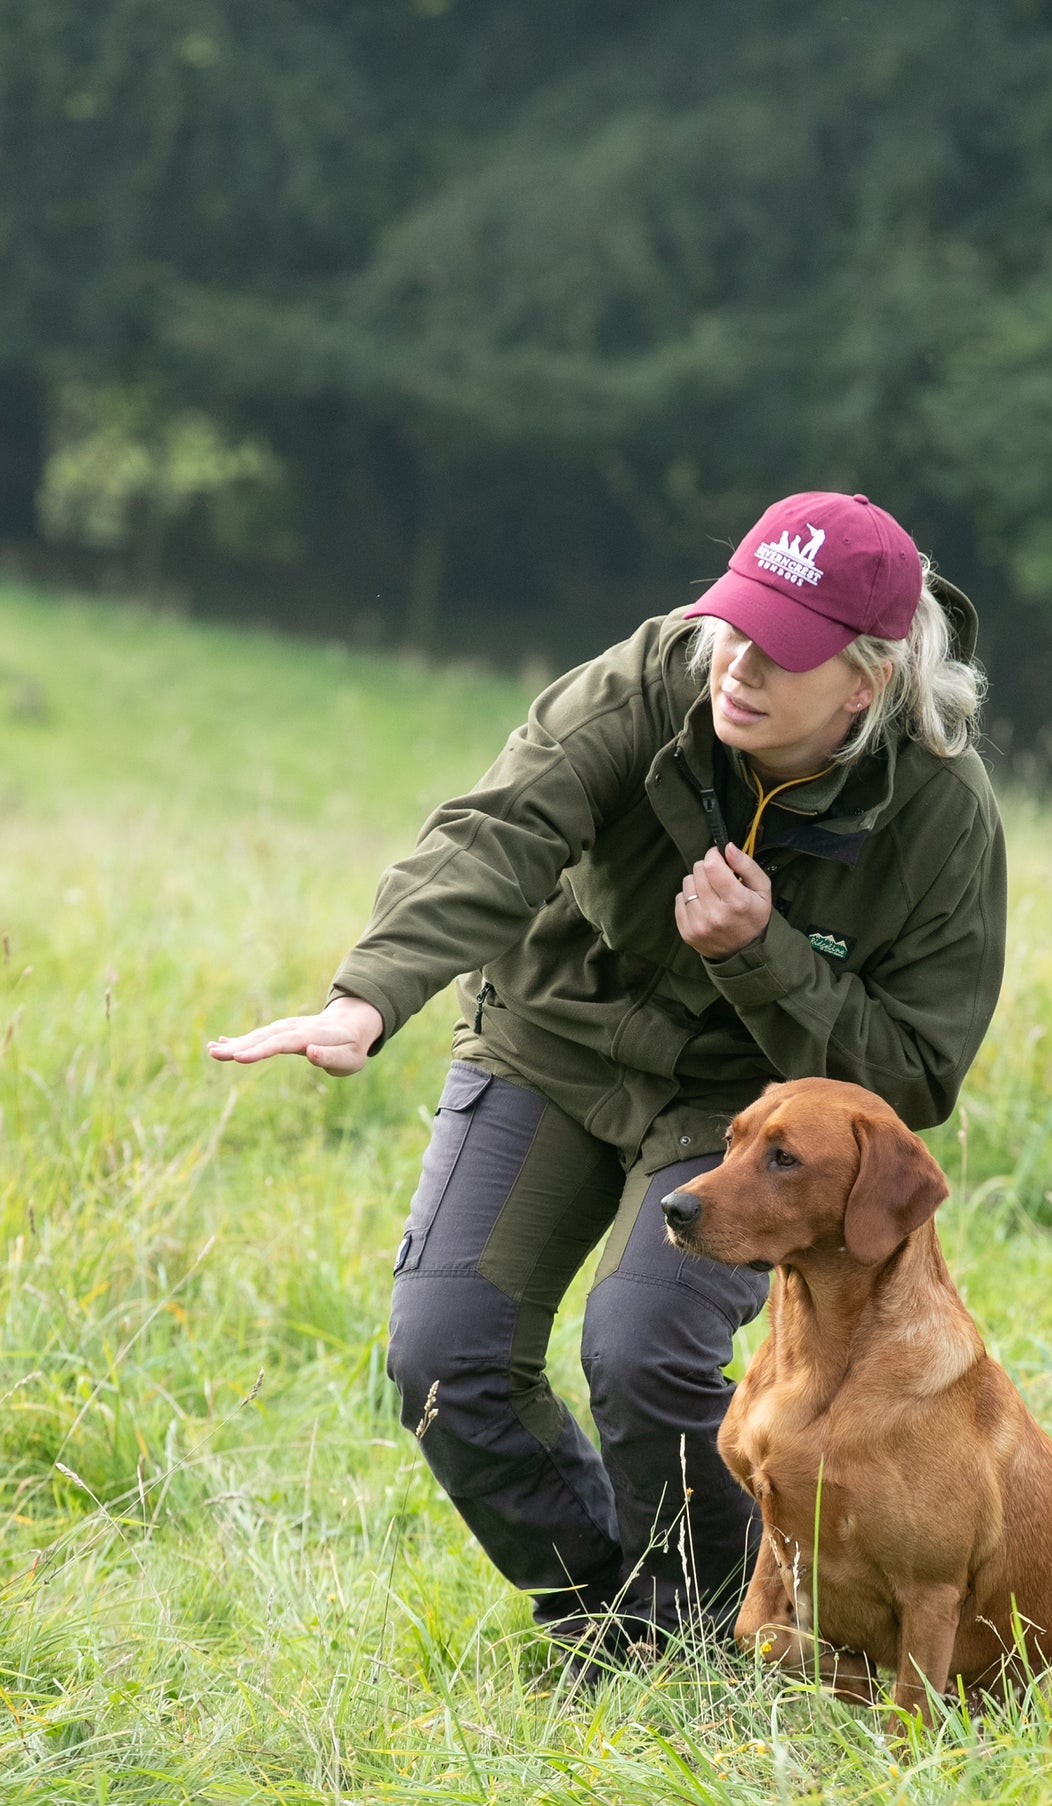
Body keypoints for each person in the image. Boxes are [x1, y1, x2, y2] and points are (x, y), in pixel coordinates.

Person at [209, 489, 1007, 1666]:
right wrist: (367, 992)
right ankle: (631, 1630)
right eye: (734, 622)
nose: (734, 665)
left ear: (866, 682)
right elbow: (499, 828)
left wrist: (764, 958)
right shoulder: (649, 679)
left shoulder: (939, 816)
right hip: (546, 1041)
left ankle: (720, 1645)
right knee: (446, 1358)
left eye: (780, 651)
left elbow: (917, 1071)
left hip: (733, 1111)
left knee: (644, 1353)